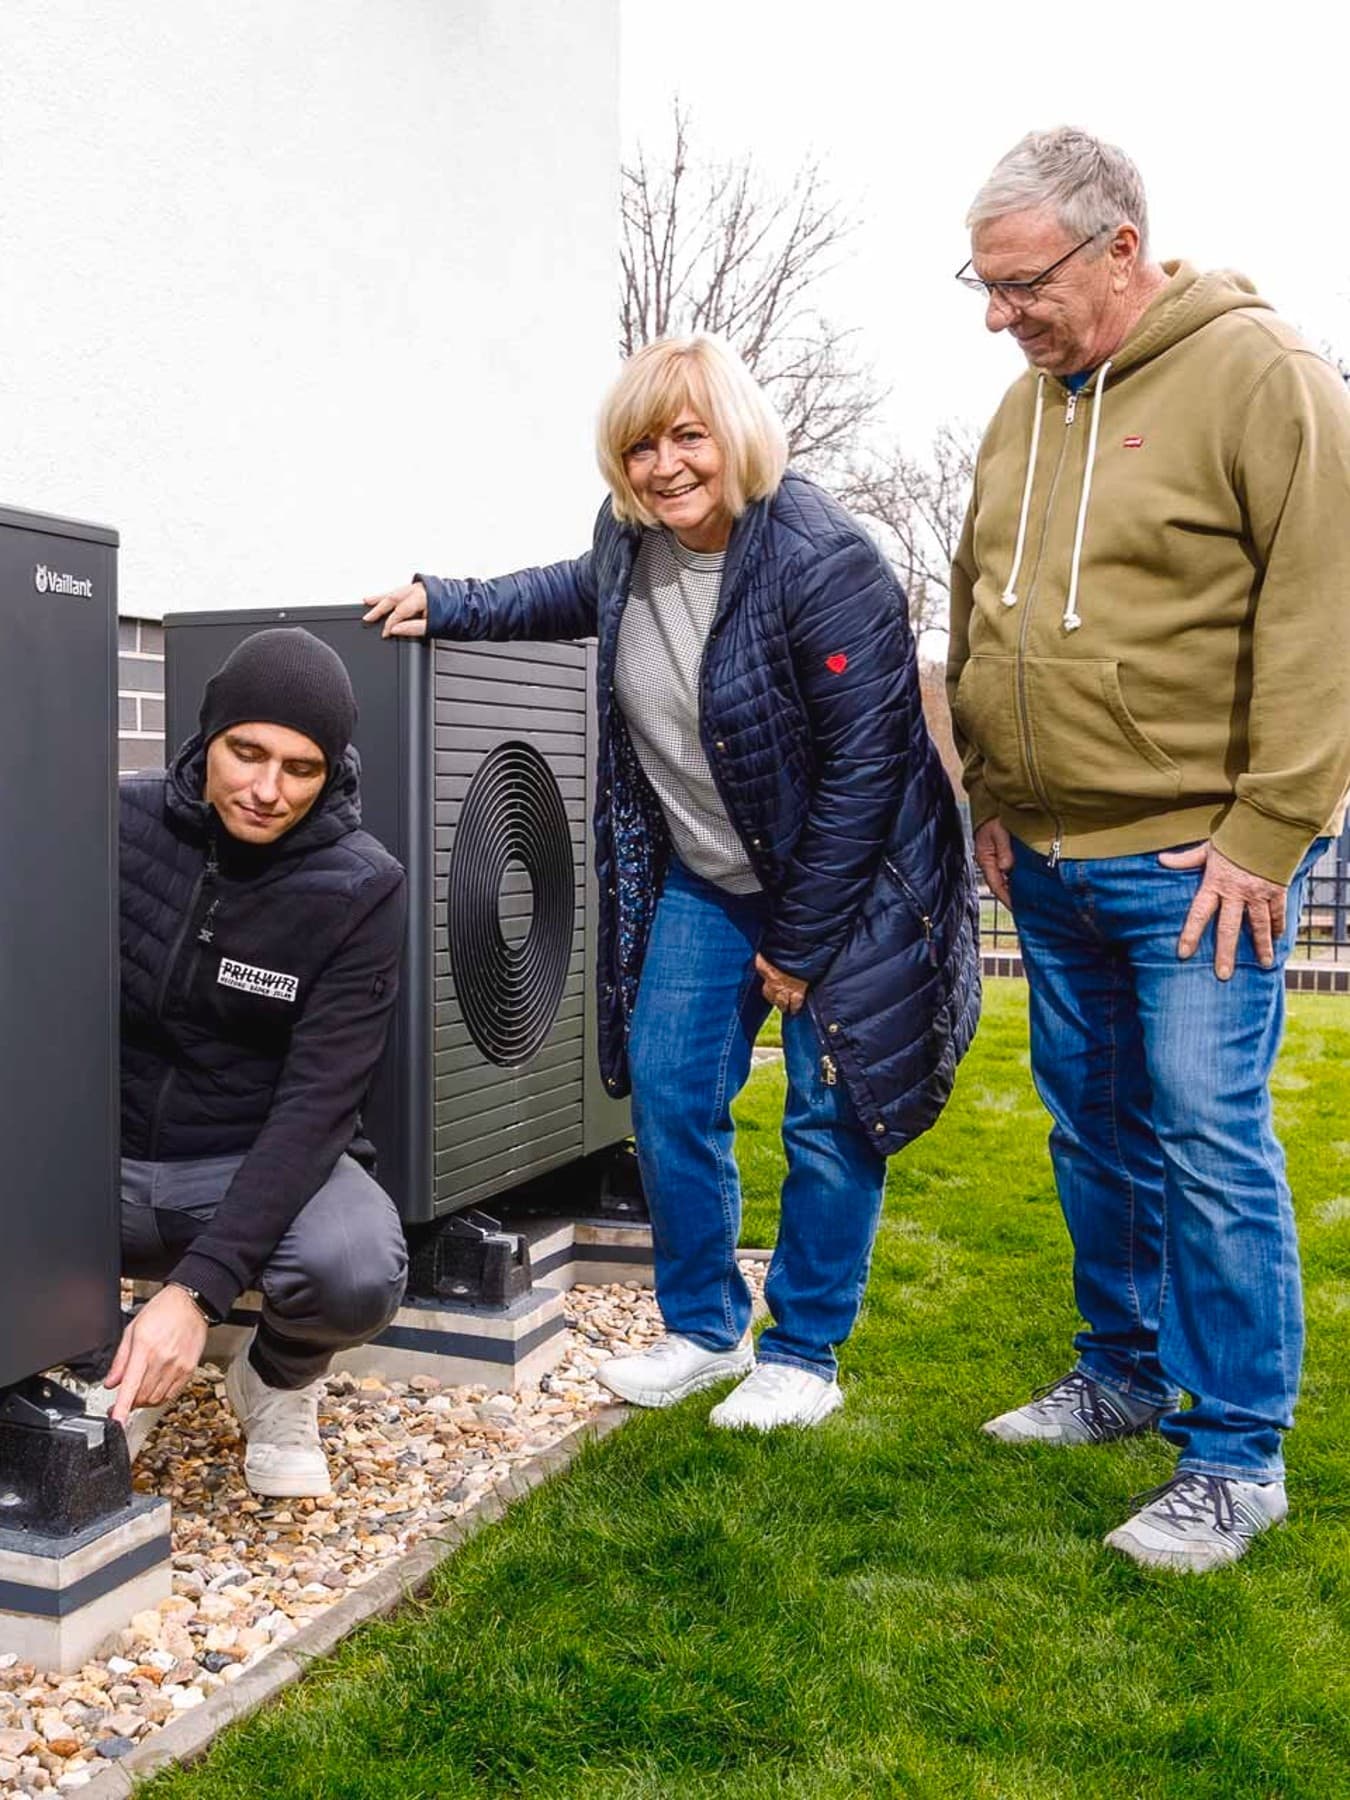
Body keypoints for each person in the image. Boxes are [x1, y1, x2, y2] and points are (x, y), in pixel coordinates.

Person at [364, 334, 979, 1432]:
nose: (663, 465)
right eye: (639, 445)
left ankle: (803, 1352)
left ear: (735, 435)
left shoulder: (821, 559)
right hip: (712, 873)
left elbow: (866, 772)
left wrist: (796, 946)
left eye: (686, 436)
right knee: (666, 1086)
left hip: (851, 886)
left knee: (829, 1117)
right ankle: (704, 1332)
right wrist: (443, 599)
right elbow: (573, 589)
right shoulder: (631, 539)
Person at [948, 126, 1350, 1570]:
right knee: (1091, 1127)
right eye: (980, 288)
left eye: (1020, 283)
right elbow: (980, 604)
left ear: (1119, 248)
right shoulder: (1021, 408)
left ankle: (1236, 1457)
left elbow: (1322, 620)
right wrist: (991, 793)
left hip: (1195, 864)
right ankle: (1120, 1372)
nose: (999, 314)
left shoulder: (1266, 378)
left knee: (1203, 1138)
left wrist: (1266, 832)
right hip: (1049, 859)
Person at [105, 626, 409, 1497]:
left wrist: (197, 1295)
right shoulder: (116, 826)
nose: (268, 790)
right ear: (209, 734)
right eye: (247, 753)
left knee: (352, 1269)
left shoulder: (361, 886)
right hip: (105, 1157)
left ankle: (272, 1381)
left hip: (246, 1159)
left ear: (331, 769)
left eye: (302, 768)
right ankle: (113, 1365)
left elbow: (319, 1104)